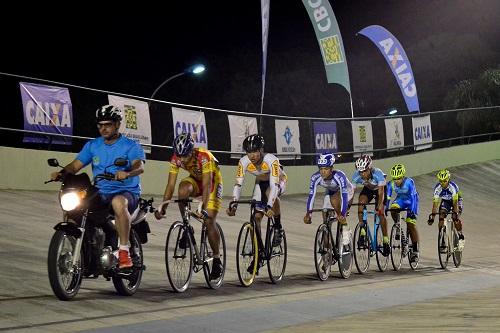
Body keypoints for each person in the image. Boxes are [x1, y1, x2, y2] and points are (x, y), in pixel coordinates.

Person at [50, 105, 145, 270]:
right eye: (100, 125)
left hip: (126, 191)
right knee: (77, 206)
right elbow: (75, 165)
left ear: (117, 124)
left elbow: (139, 166)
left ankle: (123, 252)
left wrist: (127, 173)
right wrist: (62, 172)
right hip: (101, 191)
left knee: (118, 203)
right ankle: (82, 248)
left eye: (107, 124)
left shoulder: (131, 146)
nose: (103, 128)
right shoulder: (93, 145)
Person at [155, 133, 223, 280]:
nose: (182, 159)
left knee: (209, 220)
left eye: (185, 155)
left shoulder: (204, 157)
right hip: (195, 180)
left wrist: (203, 208)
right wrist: (163, 206)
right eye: (179, 156)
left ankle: (217, 259)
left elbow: (206, 186)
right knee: (182, 189)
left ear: (192, 151)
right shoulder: (176, 158)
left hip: (212, 182)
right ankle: (187, 225)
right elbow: (170, 185)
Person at [226, 134, 287, 274]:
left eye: (255, 151)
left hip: (278, 181)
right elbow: (238, 184)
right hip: (260, 182)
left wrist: (270, 206)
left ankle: (277, 226)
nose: (252, 155)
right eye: (249, 152)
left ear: (261, 150)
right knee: (256, 218)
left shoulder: (271, 160)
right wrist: (234, 203)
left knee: (269, 193)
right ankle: (259, 253)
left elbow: (274, 185)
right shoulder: (243, 162)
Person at [351, 155, 390, 256]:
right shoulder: (356, 176)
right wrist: (347, 207)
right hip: (368, 189)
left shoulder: (378, 173)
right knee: (360, 203)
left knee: (381, 213)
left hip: (380, 190)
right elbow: (351, 193)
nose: (362, 174)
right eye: (360, 172)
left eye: (364, 171)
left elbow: (381, 193)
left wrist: (380, 206)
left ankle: (386, 240)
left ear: (369, 168)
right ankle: (363, 230)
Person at [303, 153, 354, 227]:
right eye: (321, 169)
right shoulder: (315, 177)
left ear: (331, 169)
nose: (323, 172)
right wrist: (308, 214)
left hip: (347, 191)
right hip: (332, 190)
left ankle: (345, 229)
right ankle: (326, 232)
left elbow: (344, 196)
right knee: (325, 211)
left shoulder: (339, 176)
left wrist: (342, 214)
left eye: (326, 169)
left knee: (338, 208)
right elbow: (311, 196)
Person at [386, 163, 420, 263]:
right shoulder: (391, 184)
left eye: (399, 178)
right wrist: (386, 208)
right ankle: (398, 227)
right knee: (393, 208)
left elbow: (413, 197)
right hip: (401, 200)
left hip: (412, 201)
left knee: (410, 224)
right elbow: (388, 197)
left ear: (403, 176)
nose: (397, 181)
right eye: (395, 178)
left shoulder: (409, 182)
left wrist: (413, 211)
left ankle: (415, 250)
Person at [428, 169, 465, 250]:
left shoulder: (453, 187)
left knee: (455, 218)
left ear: (448, 179)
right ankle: (442, 238)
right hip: (446, 201)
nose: (442, 183)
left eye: (444, 181)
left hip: (457, 200)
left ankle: (461, 236)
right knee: (441, 216)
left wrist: (455, 213)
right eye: (440, 181)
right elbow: (435, 205)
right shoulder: (437, 188)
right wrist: (432, 218)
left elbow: (455, 203)